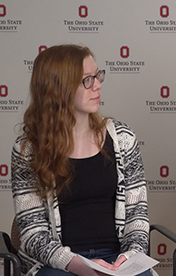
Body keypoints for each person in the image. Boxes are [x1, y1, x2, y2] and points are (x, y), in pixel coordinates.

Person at [11, 44, 155, 276]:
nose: (97, 85)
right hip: (59, 263)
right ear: (58, 89)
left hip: (116, 259)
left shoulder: (123, 138)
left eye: (97, 76)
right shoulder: (28, 150)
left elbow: (137, 215)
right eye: (86, 80)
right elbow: (32, 233)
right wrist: (77, 264)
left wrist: (127, 259)